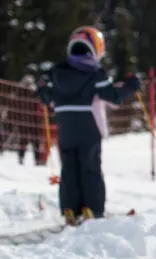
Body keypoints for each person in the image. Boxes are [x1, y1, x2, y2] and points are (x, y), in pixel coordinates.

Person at [36, 26, 140, 224]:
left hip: (65, 126)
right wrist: (131, 86)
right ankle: (92, 208)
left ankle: (69, 208)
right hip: (88, 126)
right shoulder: (95, 74)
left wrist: (41, 88)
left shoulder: (57, 74)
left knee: (69, 168)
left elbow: (47, 97)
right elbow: (113, 97)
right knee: (90, 167)